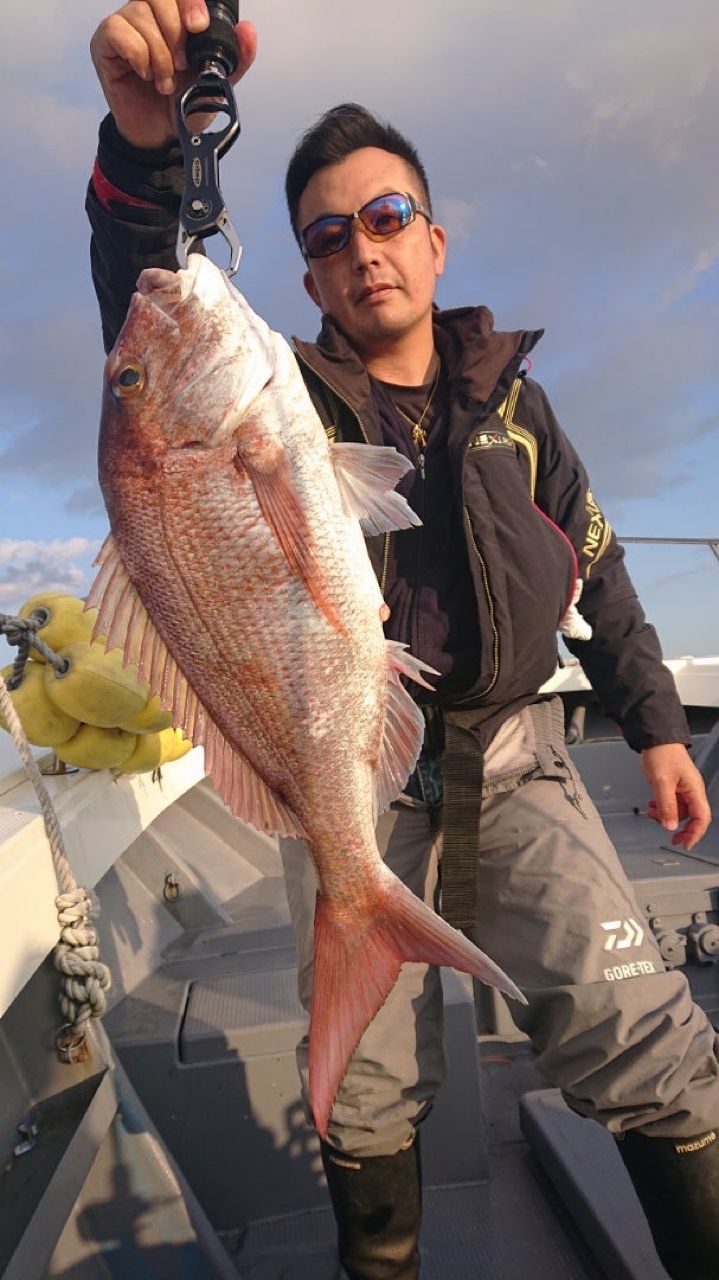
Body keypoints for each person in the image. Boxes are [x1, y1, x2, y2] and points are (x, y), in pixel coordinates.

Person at [88, 6, 719, 1278]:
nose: (362, 250)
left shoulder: (523, 407)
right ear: (308, 278)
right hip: (350, 773)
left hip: (523, 763)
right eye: (328, 236)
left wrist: (654, 727)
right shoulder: (293, 402)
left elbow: (598, 567)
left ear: (432, 239)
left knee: (645, 1045)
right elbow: (142, 310)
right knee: (366, 1098)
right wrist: (148, 150)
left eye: (385, 219)